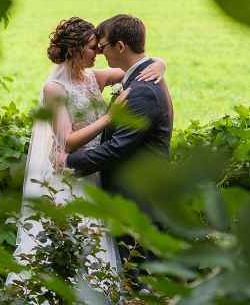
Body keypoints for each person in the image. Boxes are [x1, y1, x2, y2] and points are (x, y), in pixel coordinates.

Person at [9, 17, 166, 287]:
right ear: (75, 50)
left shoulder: (95, 78)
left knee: (98, 247)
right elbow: (67, 141)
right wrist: (108, 118)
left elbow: (135, 67)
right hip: (70, 174)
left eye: (101, 47)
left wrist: (161, 64)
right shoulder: (54, 89)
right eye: (94, 47)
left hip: (93, 172)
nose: (100, 53)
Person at [56, 14, 174, 289]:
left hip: (139, 197)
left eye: (103, 46)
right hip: (125, 194)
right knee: (131, 274)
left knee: (140, 279)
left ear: (120, 47)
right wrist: (160, 63)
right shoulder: (135, 79)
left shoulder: (142, 90)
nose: (99, 51)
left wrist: (68, 161)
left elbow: (116, 148)